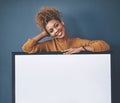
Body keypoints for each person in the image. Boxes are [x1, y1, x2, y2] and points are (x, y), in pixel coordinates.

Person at [22, 7, 110, 54]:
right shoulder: (48, 45)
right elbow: (27, 48)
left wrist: (81, 49)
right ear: (50, 34)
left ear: (62, 23)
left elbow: (104, 45)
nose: (56, 30)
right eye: (51, 30)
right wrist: (44, 34)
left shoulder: (78, 42)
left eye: (56, 25)